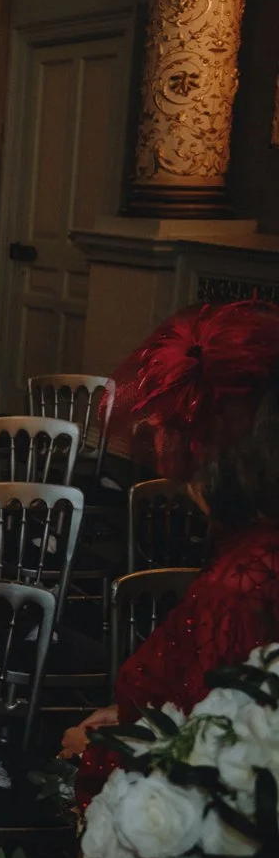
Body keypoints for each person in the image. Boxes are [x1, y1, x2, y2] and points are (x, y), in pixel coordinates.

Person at [62, 302, 279, 772]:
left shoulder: (237, 584)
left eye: (164, 429)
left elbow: (205, 758)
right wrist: (127, 717)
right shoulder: (248, 548)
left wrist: (93, 747)